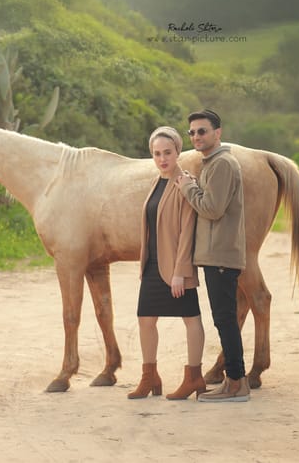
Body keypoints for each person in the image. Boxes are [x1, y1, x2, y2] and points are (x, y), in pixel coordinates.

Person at [176, 109, 249, 402]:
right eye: (192, 132)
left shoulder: (222, 165)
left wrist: (187, 187)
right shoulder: (213, 164)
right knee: (223, 319)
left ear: (218, 133)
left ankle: (237, 384)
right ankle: (234, 381)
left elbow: (212, 209)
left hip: (221, 256)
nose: (196, 136)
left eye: (202, 131)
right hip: (214, 255)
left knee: (225, 320)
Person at [128, 126, 206, 401]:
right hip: (152, 265)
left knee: (190, 318)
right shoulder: (156, 182)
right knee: (145, 319)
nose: (162, 159)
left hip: (175, 267)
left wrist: (180, 273)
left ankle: (194, 377)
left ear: (177, 153)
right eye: (157, 154)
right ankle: (150, 377)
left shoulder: (185, 181)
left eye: (168, 153)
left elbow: (188, 230)